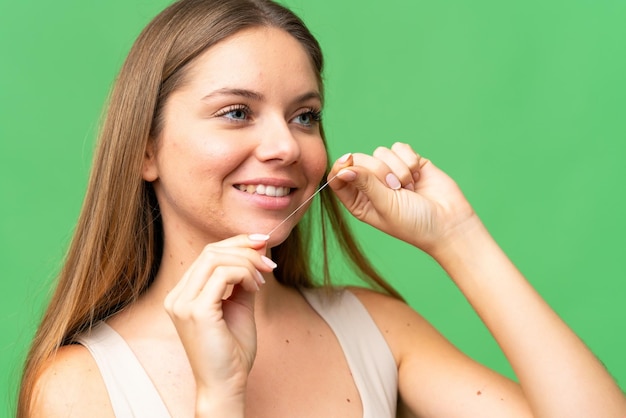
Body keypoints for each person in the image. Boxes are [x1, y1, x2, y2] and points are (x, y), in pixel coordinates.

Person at [17, 0, 626, 417]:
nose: (287, 146)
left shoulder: (375, 330)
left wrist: (459, 238)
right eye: (237, 111)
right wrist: (219, 399)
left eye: (304, 116)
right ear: (144, 149)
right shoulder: (80, 386)